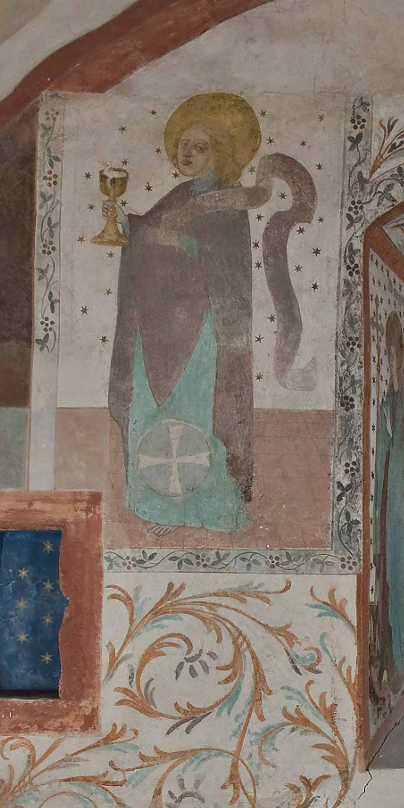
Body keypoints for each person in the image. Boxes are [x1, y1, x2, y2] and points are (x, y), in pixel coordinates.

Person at [107, 93, 264, 532]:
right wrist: (125, 225)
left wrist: (178, 244)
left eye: (200, 146)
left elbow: (226, 268)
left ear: (221, 152)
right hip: (155, 329)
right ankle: (158, 506)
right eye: (184, 145)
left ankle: (212, 508)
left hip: (201, 335)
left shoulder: (226, 202)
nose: (188, 154)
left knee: (197, 416)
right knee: (151, 413)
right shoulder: (177, 195)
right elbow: (148, 238)